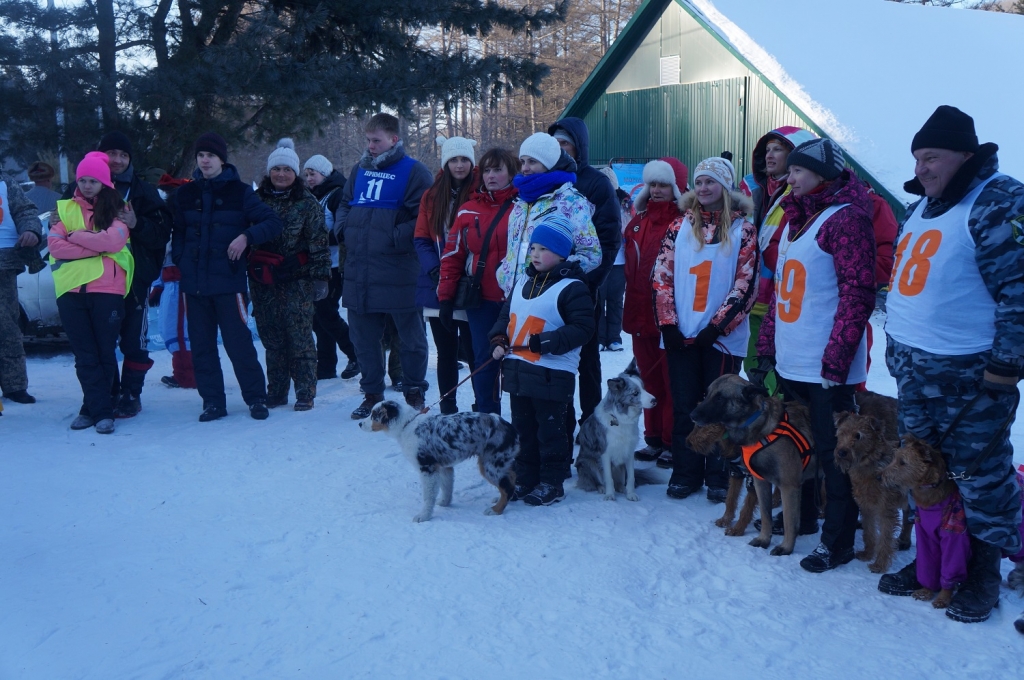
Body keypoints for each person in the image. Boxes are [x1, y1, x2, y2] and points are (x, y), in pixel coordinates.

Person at [877, 106, 1024, 624]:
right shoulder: (923, 207)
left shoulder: (1000, 201)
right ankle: (933, 559)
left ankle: (983, 571)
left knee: (979, 475)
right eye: (917, 158)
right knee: (924, 470)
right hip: (915, 375)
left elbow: (1019, 292)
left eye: (932, 157)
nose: (922, 168)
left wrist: (1004, 371)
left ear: (966, 155)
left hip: (972, 380)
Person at [751, 138, 876, 573]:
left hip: (827, 366)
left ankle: (838, 539)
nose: (789, 178)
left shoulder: (846, 219)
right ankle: (801, 517)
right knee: (796, 444)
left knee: (832, 453)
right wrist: (766, 349)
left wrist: (837, 360)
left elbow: (858, 293)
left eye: (799, 172)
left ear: (823, 174)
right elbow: (783, 289)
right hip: (791, 359)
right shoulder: (794, 220)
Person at [652, 157, 757, 502]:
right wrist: (668, 324)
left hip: (721, 340)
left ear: (725, 187)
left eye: (711, 182)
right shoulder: (678, 227)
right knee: (685, 406)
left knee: (722, 409)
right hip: (681, 334)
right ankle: (686, 471)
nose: (704, 189)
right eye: (699, 183)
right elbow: (662, 277)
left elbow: (745, 284)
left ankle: (719, 473)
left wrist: (717, 327)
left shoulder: (743, 230)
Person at [170, 132, 283, 422]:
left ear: (222, 159)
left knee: (239, 344)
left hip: (229, 284)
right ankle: (213, 402)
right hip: (194, 285)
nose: (205, 160)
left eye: (211, 155)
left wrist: (246, 236)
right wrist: (181, 258)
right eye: (201, 156)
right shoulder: (185, 194)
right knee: (202, 347)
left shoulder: (241, 192)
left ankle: (256, 398)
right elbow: (178, 231)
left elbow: (272, 222)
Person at [60, 132, 174, 418]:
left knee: (134, 342)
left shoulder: (142, 191)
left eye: (124, 155)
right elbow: (60, 231)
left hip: (133, 280)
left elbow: (162, 233)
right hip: (92, 282)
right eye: (112, 153)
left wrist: (138, 223)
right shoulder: (77, 191)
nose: (118, 160)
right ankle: (105, 395)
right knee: (100, 344)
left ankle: (130, 394)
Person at [490, 218, 595, 506]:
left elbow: (584, 328)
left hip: (552, 374)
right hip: (518, 372)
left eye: (544, 249)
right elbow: (504, 317)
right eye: (533, 247)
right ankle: (526, 476)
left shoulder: (572, 287)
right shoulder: (524, 281)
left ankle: (552, 480)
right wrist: (498, 339)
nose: (535, 254)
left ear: (562, 254)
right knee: (523, 429)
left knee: (551, 431)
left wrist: (547, 341)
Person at [334, 113, 433, 418]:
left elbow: (424, 216)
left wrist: (393, 237)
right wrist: (343, 229)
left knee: (411, 337)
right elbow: (345, 203)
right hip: (359, 270)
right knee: (363, 338)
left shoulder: (414, 171)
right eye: (368, 140)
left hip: (398, 270)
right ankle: (372, 393)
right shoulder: (359, 170)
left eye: (376, 140)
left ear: (393, 139)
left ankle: (414, 389)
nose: (370, 146)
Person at [48, 152, 134, 434]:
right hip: (71, 291)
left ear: (104, 183)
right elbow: (55, 246)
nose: (86, 185)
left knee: (103, 351)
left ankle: (96, 410)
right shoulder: (64, 209)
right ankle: (98, 409)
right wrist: (95, 244)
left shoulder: (119, 209)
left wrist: (76, 236)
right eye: (82, 180)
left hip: (107, 289)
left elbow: (113, 240)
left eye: (93, 181)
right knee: (85, 355)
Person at [547, 118, 621, 444]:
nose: (560, 150)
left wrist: (590, 283)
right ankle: (559, 429)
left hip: (582, 288)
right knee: (553, 360)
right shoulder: (544, 181)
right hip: (546, 290)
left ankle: (592, 429)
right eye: (555, 145)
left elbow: (608, 238)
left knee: (586, 363)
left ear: (578, 146)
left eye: (565, 144)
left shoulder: (595, 183)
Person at [437, 147, 520, 415]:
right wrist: (446, 298)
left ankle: (523, 423)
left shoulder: (525, 206)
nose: (491, 176)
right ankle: (487, 419)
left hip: (520, 300)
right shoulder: (467, 210)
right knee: (484, 362)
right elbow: (452, 256)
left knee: (520, 362)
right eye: (487, 170)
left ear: (511, 172)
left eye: (498, 169)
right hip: (481, 301)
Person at [251, 139, 331, 411]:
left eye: (287, 169)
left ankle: (305, 392)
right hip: (264, 281)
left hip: (297, 280)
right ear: (269, 172)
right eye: (276, 169)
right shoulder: (255, 200)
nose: (281, 174)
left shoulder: (307, 203)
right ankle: (276, 391)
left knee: (300, 338)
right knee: (272, 339)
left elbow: (319, 242)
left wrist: (320, 278)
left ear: (295, 173)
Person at [742, 126, 817, 396]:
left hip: (783, 304)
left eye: (778, 149)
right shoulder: (754, 192)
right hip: (753, 301)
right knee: (755, 373)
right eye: (766, 150)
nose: (769, 156)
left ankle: (784, 434)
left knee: (781, 381)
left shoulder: (801, 196)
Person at [623, 157, 689, 464]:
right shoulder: (638, 221)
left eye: (664, 184)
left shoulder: (686, 221)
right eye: (653, 184)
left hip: (669, 315)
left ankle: (669, 440)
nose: (657, 190)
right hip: (638, 310)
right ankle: (652, 438)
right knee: (648, 379)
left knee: (671, 380)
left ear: (676, 187)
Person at [414, 136, 478, 414]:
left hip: (472, 283)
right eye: (454, 159)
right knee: (446, 352)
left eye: (465, 159)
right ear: (446, 162)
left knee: (476, 351)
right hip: (437, 284)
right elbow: (421, 238)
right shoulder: (432, 195)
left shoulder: (481, 191)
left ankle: (482, 406)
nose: (460, 165)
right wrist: (436, 269)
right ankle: (448, 409)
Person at [304, 153, 359, 381]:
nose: (308, 178)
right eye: (306, 174)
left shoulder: (337, 194)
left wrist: (314, 239)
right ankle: (326, 365)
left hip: (336, 265)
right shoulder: (310, 196)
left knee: (326, 312)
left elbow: (343, 231)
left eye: (312, 174)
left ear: (324, 174)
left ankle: (356, 354)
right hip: (315, 265)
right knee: (317, 316)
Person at [0, 173, 44, 406]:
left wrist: (31, 230)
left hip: (3, 264)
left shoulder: (6, 183)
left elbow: (25, 211)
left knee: (7, 328)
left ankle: (14, 385)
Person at [151, 174, 195, 389]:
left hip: (181, 284)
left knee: (180, 331)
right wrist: (158, 286)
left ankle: (187, 375)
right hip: (171, 284)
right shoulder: (167, 225)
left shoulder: (183, 227)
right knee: (173, 329)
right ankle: (182, 372)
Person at [596, 166, 629, 352]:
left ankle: (614, 337)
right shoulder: (594, 201)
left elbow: (630, 225)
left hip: (619, 261)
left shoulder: (624, 203)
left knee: (615, 300)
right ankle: (600, 337)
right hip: (600, 260)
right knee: (598, 299)